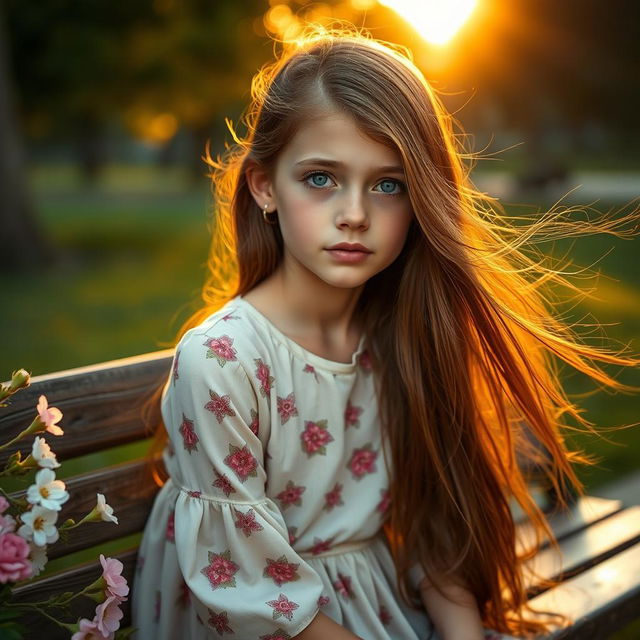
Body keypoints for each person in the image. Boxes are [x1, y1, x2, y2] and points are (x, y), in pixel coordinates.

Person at [131, 27, 638, 640]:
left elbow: (436, 528)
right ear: (265, 186)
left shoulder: (405, 334)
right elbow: (248, 593)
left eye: (388, 184)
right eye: (320, 178)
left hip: (376, 602)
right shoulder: (222, 361)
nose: (355, 213)